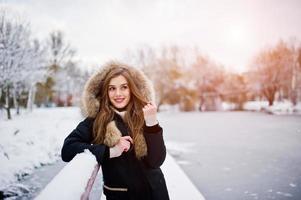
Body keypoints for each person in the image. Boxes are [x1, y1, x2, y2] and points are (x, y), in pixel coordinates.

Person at [61, 61, 170, 200]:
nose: (118, 93)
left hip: (156, 194)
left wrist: (152, 123)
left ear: (131, 89)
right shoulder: (96, 121)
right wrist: (110, 151)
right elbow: (67, 150)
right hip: (121, 196)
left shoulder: (143, 115)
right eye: (112, 88)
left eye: (124, 87)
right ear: (105, 92)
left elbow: (156, 161)